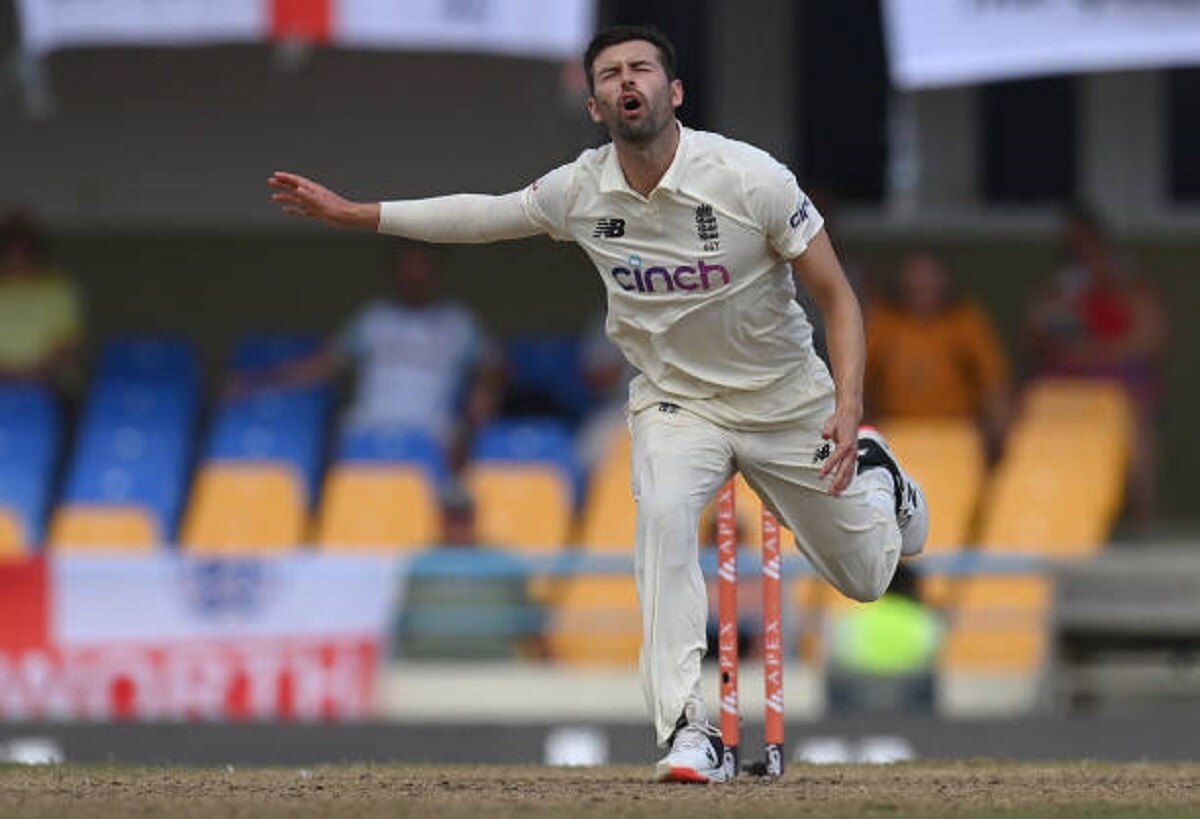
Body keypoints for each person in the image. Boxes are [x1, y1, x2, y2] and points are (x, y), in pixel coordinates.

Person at [267, 24, 928, 783]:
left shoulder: (752, 180)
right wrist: (359, 214)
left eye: (642, 67)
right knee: (663, 515)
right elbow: (485, 214)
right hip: (678, 403)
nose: (627, 80)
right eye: (611, 72)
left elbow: (839, 298)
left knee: (866, 575)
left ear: (673, 92)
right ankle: (689, 729)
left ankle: (884, 479)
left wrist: (849, 406)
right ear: (594, 105)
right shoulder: (582, 190)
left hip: (786, 402)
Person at [228, 243, 503, 473]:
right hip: (368, 427)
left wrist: (484, 393)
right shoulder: (373, 319)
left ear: (436, 273)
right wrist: (258, 383)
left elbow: (495, 365)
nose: (415, 275)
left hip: (432, 433)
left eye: (422, 268)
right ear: (395, 273)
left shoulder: (458, 322)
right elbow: (325, 364)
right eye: (408, 267)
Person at [1027, 206, 1167, 528]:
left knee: (1136, 430)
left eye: (1090, 245)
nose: (1085, 254)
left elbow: (1149, 338)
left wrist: (1096, 352)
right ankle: (1046, 514)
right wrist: (1061, 305)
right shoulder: (1061, 288)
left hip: (1121, 378)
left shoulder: (1132, 285)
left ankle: (1144, 521)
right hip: (1067, 377)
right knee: (1037, 412)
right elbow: (1039, 334)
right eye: (1076, 246)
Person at [865, 250, 1012, 458]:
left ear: (944, 281)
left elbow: (993, 383)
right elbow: (856, 380)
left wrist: (1000, 445)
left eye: (929, 276)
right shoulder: (885, 320)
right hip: (894, 435)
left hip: (956, 435)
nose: (922, 284)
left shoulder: (965, 320)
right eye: (915, 276)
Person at [395, 483, 547, 661]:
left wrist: (553, 673)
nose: (458, 525)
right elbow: (400, 625)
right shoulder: (418, 567)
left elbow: (531, 624)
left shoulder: (504, 564)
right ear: (441, 519)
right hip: (427, 672)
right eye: (452, 518)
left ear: (475, 518)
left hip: (494, 674)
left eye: (464, 517)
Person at [824, 563, 942, 714]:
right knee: (927, 679)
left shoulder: (851, 619)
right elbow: (929, 655)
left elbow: (838, 654)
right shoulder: (924, 620)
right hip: (908, 700)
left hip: (857, 699)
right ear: (913, 587)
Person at [0, 213, 85, 397]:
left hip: (46, 381)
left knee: (68, 384)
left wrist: (36, 373)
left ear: (34, 249)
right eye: (10, 246)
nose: (16, 254)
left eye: (22, 246)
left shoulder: (57, 288)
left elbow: (68, 346)